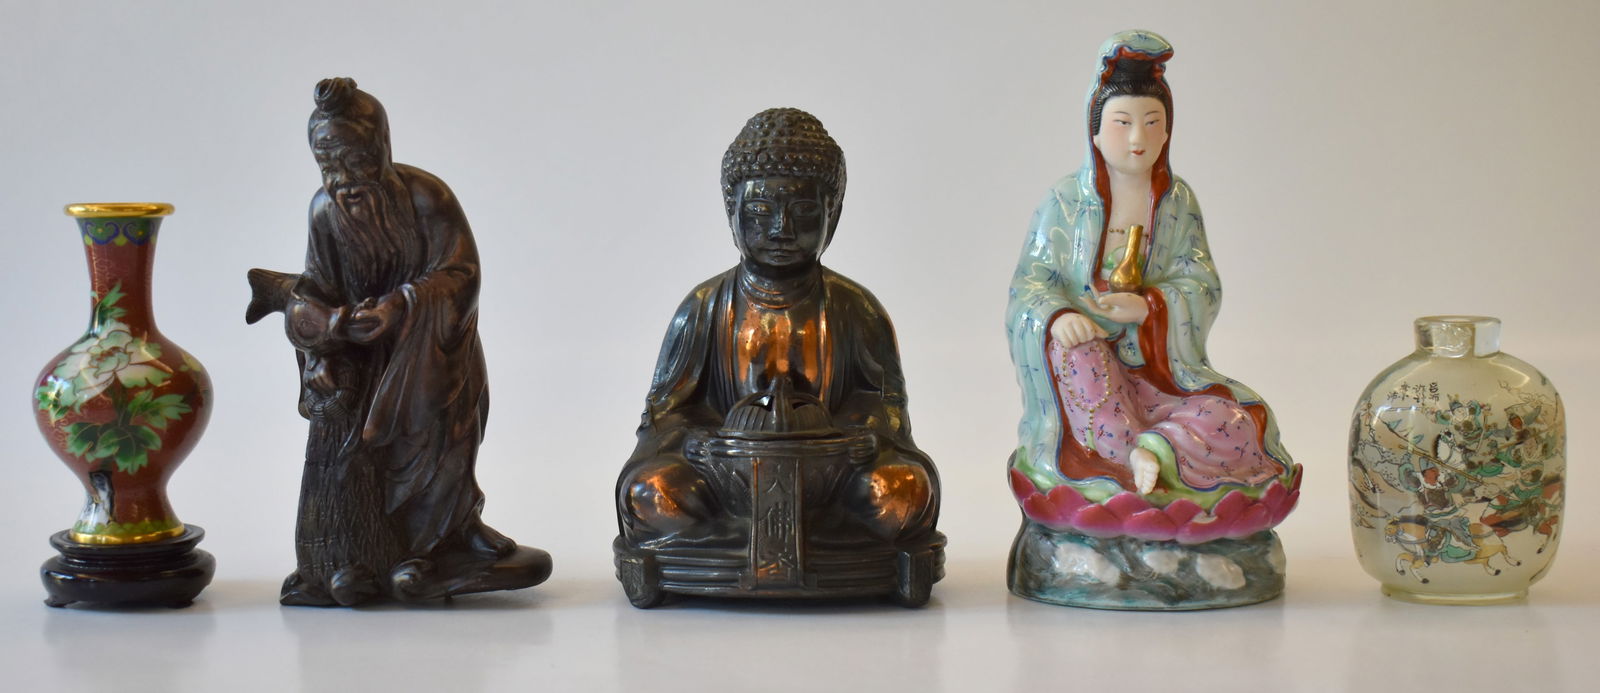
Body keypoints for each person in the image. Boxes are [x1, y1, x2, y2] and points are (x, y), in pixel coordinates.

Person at [248, 78, 547, 606]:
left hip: (432, 349)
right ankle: (384, 552)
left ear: (381, 147)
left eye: (357, 161)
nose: (345, 179)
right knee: (372, 457)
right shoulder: (324, 212)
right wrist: (327, 340)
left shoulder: (426, 196)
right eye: (329, 164)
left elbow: (461, 272)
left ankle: (455, 531)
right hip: (366, 358)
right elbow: (318, 286)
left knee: (449, 435)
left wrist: (403, 305)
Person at [616, 108, 938, 548]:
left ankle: (754, 541)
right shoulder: (704, 306)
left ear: (832, 214)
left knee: (904, 489)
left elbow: (886, 405)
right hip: (725, 475)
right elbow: (665, 411)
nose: (781, 229)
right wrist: (694, 443)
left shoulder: (855, 307)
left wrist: (864, 437)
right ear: (731, 213)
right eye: (760, 211)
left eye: (803, 212)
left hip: (831, 474)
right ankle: (769, 539)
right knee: (650, 490)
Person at [1006, 31, 1294, 503]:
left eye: (1152, 123)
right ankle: (1125, 457)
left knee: (1238, 419)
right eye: (1122, 124)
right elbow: (1030, 285)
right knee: (1077, 357)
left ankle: (1157, 450)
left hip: (1157, 373)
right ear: (1095, 133)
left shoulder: (1177, 201)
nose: (1138, 140)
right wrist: (1058, 317)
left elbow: (1201, 282)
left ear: (1167, 132)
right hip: (1091, 368)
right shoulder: (1065, 201)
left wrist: (1148, 308)